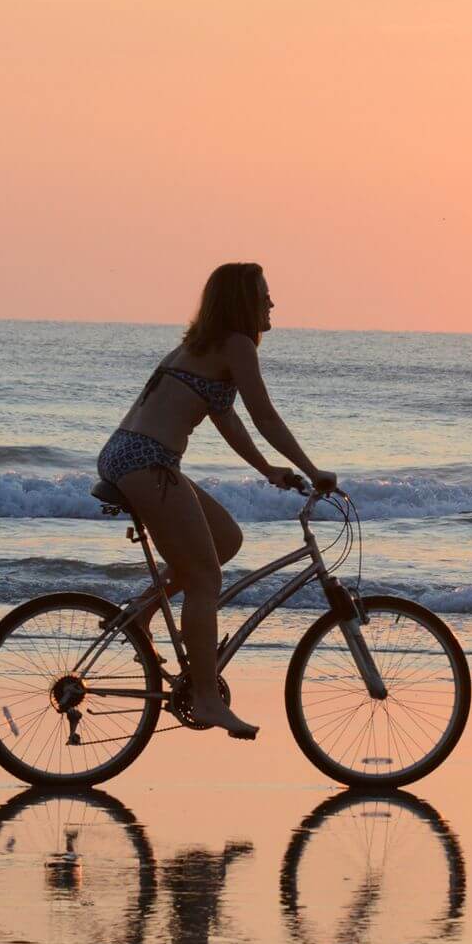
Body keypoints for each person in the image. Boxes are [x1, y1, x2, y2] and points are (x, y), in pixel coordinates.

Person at [99, 262, 333, 741]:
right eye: (264, 296)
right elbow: (265, 416)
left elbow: (230, 421)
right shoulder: (237, 345)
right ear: (242, 303)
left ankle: (142, 614)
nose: (271, 304)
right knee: (206, 575)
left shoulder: (206, 348)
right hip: (147, 462)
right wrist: (313, 470)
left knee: (225, 539)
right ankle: (206, 697)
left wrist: (269, 470)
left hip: (135, 456)